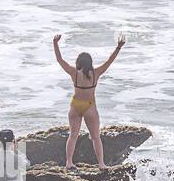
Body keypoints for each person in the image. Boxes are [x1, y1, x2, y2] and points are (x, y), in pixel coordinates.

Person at [53, 33, 124, 170]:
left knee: (73, 136)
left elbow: (60, 60)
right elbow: (109, 61)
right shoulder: (96, 73)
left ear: (78, 63)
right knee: (96, 137)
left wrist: (55, 43)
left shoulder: (74, 73)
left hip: (75, 105)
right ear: (90, 63)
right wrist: (118, 47)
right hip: (89, 107)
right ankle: (101, 164)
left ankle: (69, 162)